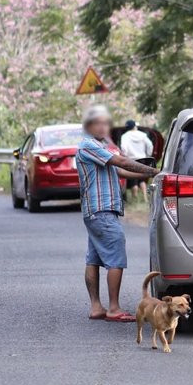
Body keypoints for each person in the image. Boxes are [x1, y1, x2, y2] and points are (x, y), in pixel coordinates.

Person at [77, 105, 158, 322]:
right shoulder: (88, 145)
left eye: (105, 123)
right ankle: (113, 308)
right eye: (98, 123)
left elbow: (120, 170)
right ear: (88, 126)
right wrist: (153, 171)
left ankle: (96, 307)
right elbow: (120, 162)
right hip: (101, 210)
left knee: (93, 258)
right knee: (115, 255)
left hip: (97, 211)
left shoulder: (99, 147)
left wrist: (150, 173)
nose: (103, 127)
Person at [120, 119, 154, 202]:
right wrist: (148, 155)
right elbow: (150, 145)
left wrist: (125, 156)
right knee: (141, 179)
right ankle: (145, 198)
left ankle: (135, 199)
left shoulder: (125, 136)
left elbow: (123, 148)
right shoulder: (143, 135)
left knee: (133, 181)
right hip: (142, 159)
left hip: (131, 159)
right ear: (135, 126)